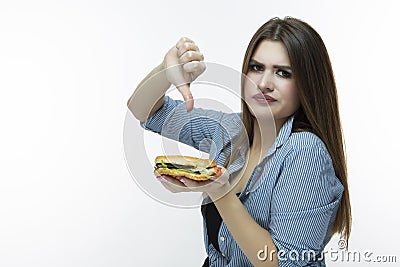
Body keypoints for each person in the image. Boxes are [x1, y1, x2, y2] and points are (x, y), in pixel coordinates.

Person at [127, 17, 351, 267]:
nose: (264, 83)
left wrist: (218, 190)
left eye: (282, 73)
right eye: (256, 68)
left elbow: (284, 263)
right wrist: (167, 71)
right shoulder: (230, 129)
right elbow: (144, 110)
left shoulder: (304, 151)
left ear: (307, 85)